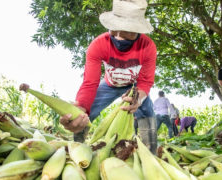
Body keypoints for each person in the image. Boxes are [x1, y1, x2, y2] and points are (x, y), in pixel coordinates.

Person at [59, 0, 158, 153]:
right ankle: (78, 146)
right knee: (87, 110)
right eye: (114, 29)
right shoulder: (98, 45)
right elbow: (90, 83)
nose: (118, 37)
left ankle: (150, 151)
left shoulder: (148, 47)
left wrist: (138, 98)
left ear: (138, 30)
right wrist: (81, 108)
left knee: (147, 111)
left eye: (128, 32)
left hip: (133, 87)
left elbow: (145, 81)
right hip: (109, 85)